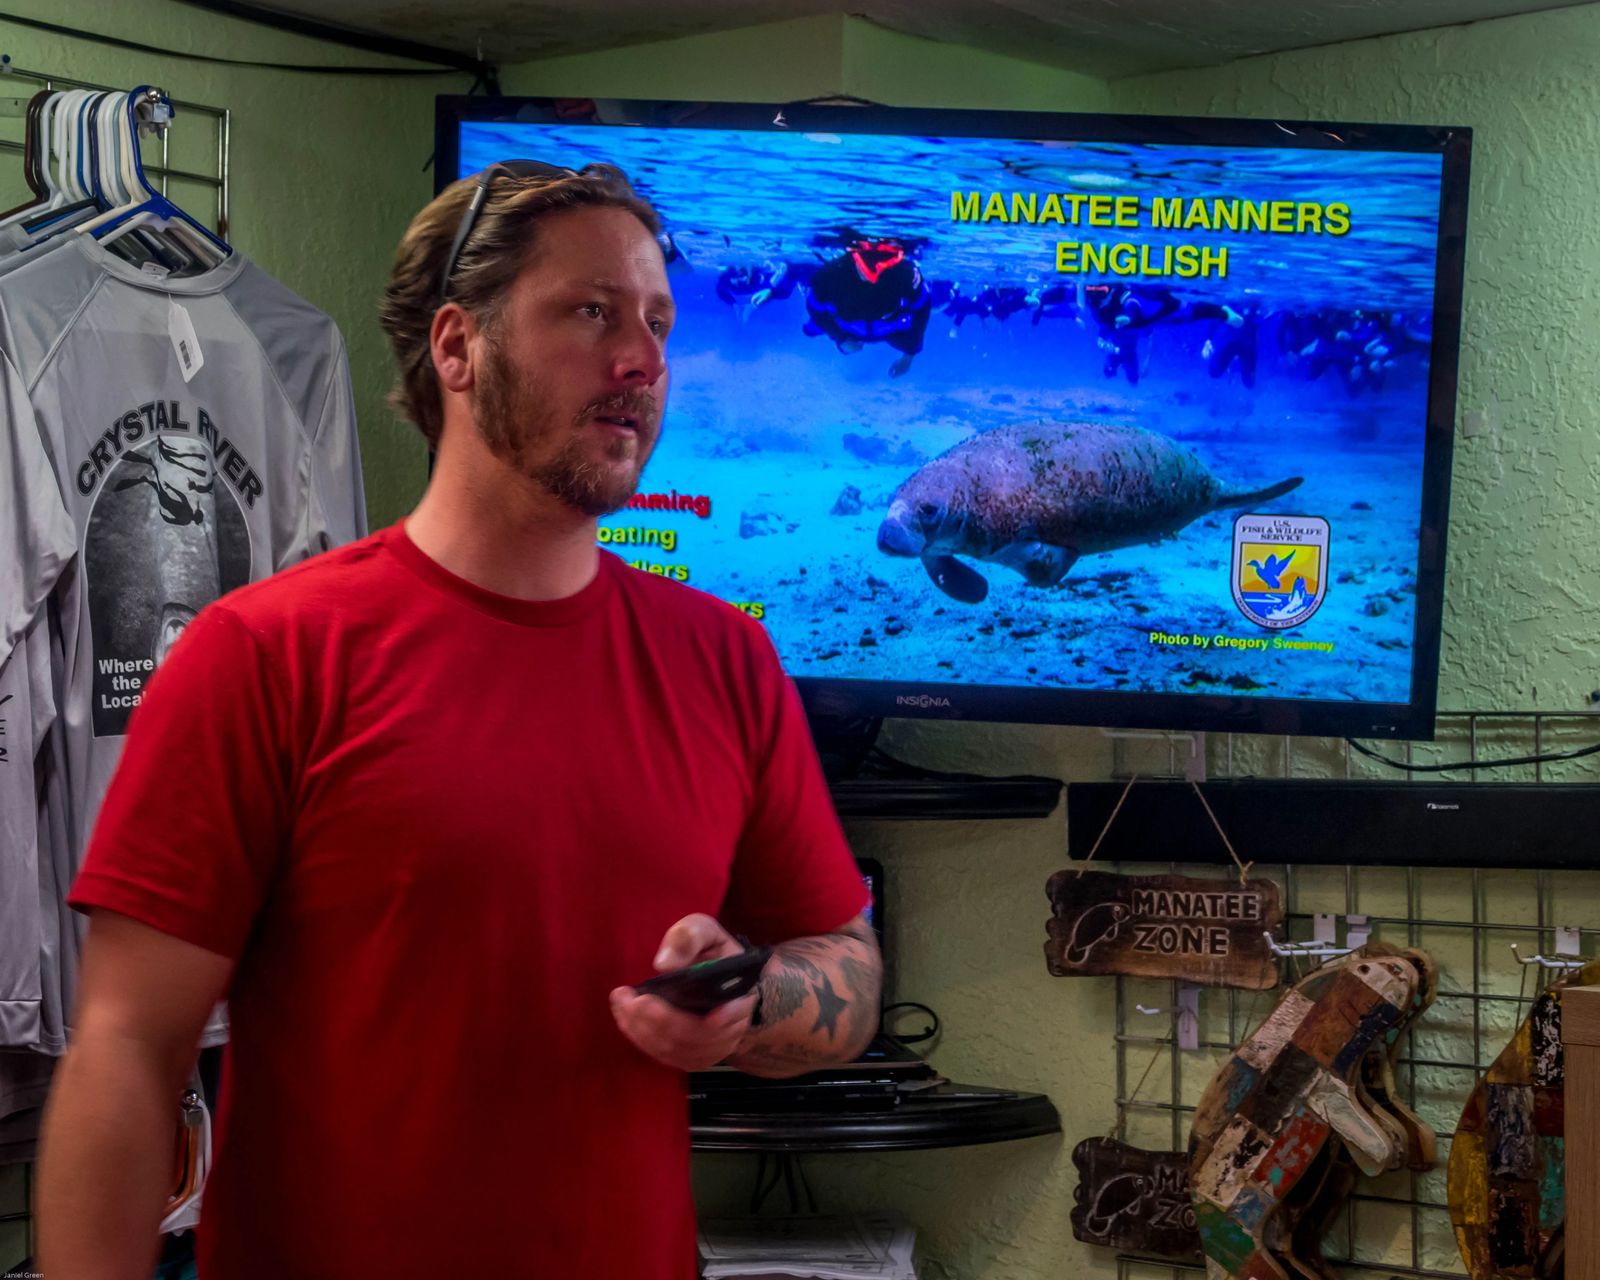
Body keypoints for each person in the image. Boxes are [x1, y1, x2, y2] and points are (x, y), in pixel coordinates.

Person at [37, 161, 881, 1280]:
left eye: (657, 321)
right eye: (591, 311)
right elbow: (126, 1053)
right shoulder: (263, 657)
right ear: (456, 347)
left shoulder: (721, 656)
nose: (643, 359)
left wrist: (750, 998)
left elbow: (849, 972)